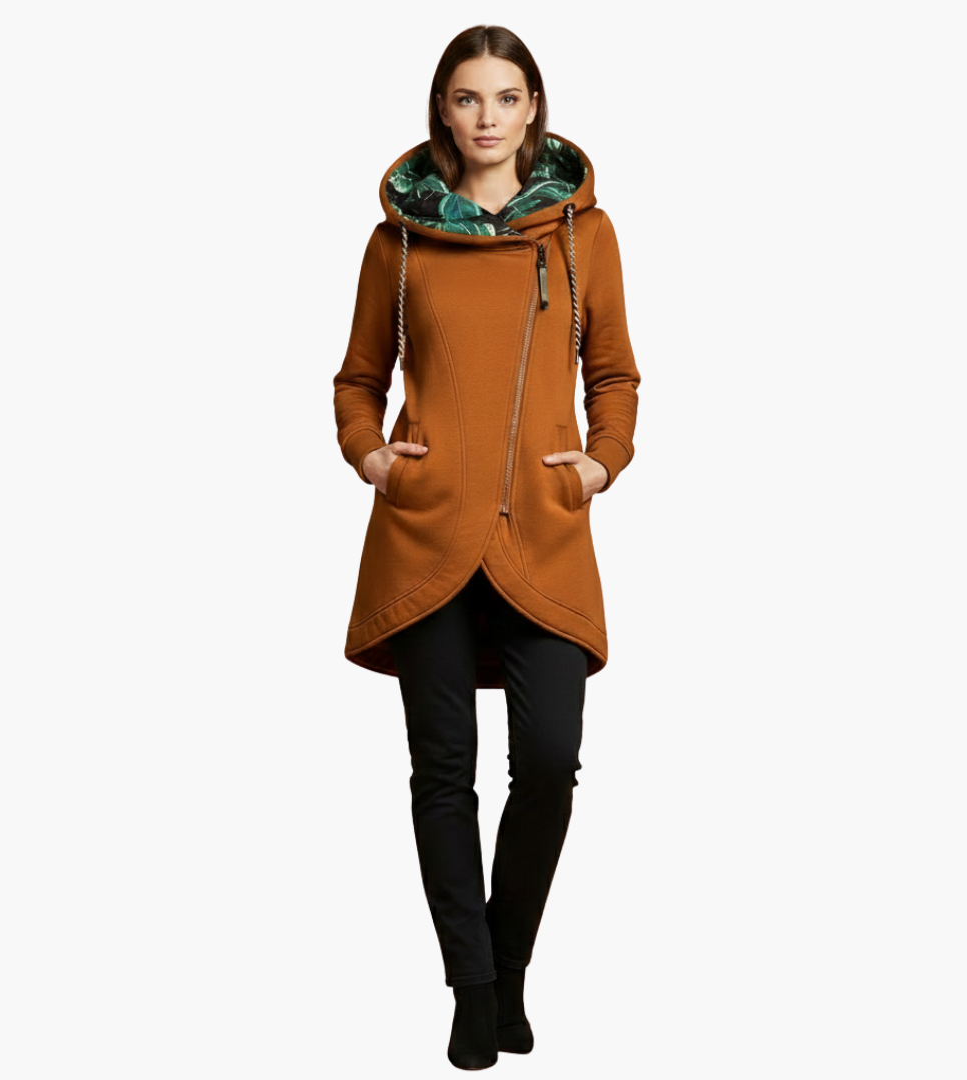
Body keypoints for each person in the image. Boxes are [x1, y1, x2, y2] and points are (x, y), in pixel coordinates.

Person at [332, 24, 641, 1071]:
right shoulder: (399, 242)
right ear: (443, 110)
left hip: (544, 530)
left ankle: (507, 968)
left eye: (507, 97)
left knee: (549, 762)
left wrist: (601, 462)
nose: (488, 117)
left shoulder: (585, 235)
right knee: (443, 771)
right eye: (468, 98)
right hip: (425, 532)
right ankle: (473, 991)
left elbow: (614, 372)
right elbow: (357, 379)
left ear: (534, 107)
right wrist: (374, 458)